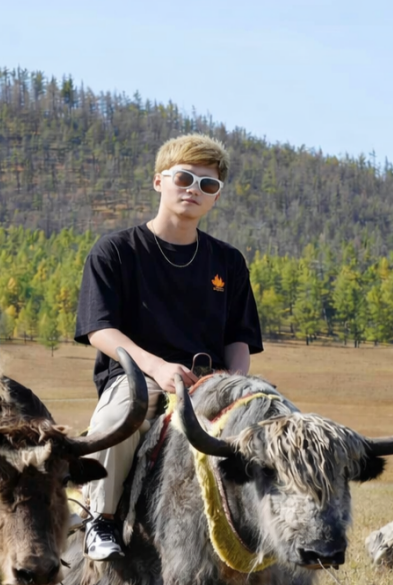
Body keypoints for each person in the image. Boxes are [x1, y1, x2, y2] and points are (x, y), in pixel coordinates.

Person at [74, 133, 263, 561]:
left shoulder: (228, 262)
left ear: (216, 197)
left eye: (208, 185)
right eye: (184, 178)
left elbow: (239, 338)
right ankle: (99, 519)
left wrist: (236, 387)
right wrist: (156, 368)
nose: (194, 190)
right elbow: (99, 329)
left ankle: (268, 533)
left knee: (272, 423)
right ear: (159, 181)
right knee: (124, 413)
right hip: (137, 376)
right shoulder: (116, 251)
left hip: (212, 381)